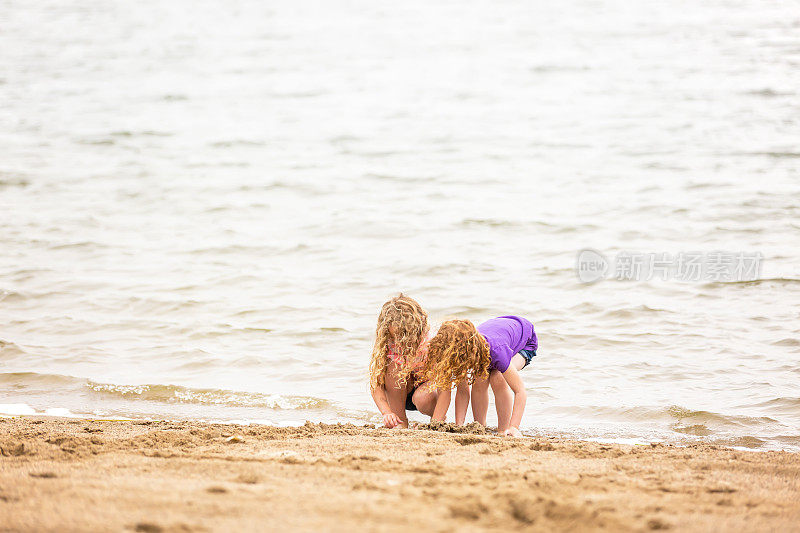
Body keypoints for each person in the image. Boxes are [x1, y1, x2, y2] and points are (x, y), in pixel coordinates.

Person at [426, 316, 537, 437]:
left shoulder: (497, 351)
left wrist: (514, 426)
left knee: (497, 377)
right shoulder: (464, 351)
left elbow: (520, 391)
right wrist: (459, 426)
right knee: (479, 378)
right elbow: (462, 391)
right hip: (497, 331)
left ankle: (504, 430)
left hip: (525, 341)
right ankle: (479, 426)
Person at [369, 294, 450, 428]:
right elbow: (375, 384)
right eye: (396, 337)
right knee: (393, 366)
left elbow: (445, 389)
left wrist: (437, 423)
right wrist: (386, 412)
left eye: (405, 337)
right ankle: (400, 422)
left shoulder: (432, 342)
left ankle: (437, 417)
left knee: (421, 398)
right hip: (401, 393)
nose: (400, 342)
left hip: (427, 395)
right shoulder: (387, 344)